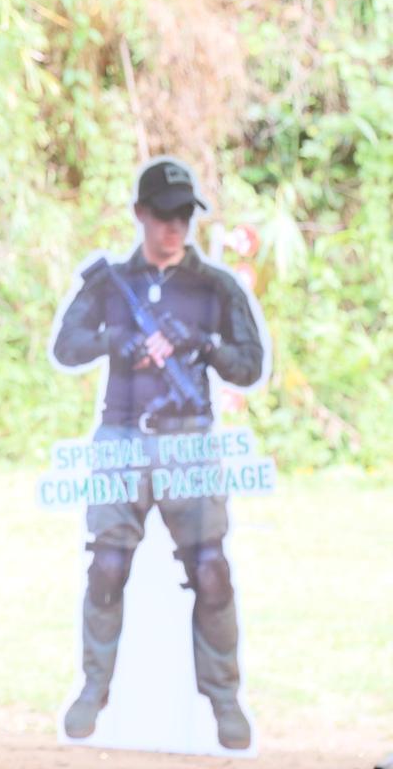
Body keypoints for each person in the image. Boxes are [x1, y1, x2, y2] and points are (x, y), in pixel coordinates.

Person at [51, 158, 265, 749]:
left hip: (189, 439)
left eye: (184, 217)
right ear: (140, 214)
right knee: (107, 569)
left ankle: (224, 699)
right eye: (164, 216)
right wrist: (116, 341)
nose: (175, 227)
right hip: (120, 436)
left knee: (212, 571)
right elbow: (66, 347)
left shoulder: (216, 286)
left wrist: (204, 344)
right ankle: (94, 688)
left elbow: (251, 366)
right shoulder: (108, 283)